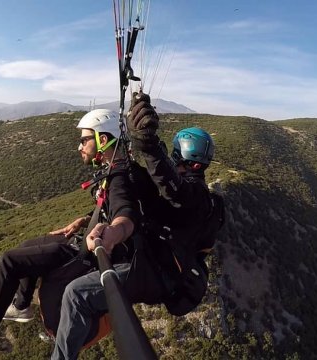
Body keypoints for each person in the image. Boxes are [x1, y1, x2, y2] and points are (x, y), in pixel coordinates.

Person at [0, 109, 142, 358]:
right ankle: (22, 306)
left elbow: (125, 210)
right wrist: (85, 219)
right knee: (28, 244)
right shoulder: (117, 168)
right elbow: (112, 205)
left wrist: (115, 230)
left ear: (102, 139)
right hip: (83, 240)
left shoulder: (120, 177)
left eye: (84, 139)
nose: (79, 146)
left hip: (86, 255)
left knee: (10, 260)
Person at [51, 92, 223, 360]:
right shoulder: (197, 200)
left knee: (77, 294)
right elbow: (155, 195)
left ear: (180, 155)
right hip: (156, 264)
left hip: (159, 275)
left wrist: (150, 145)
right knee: (79, 282)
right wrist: (122, 169)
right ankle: (78, 325)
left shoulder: (198, 198)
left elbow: (174, 190)